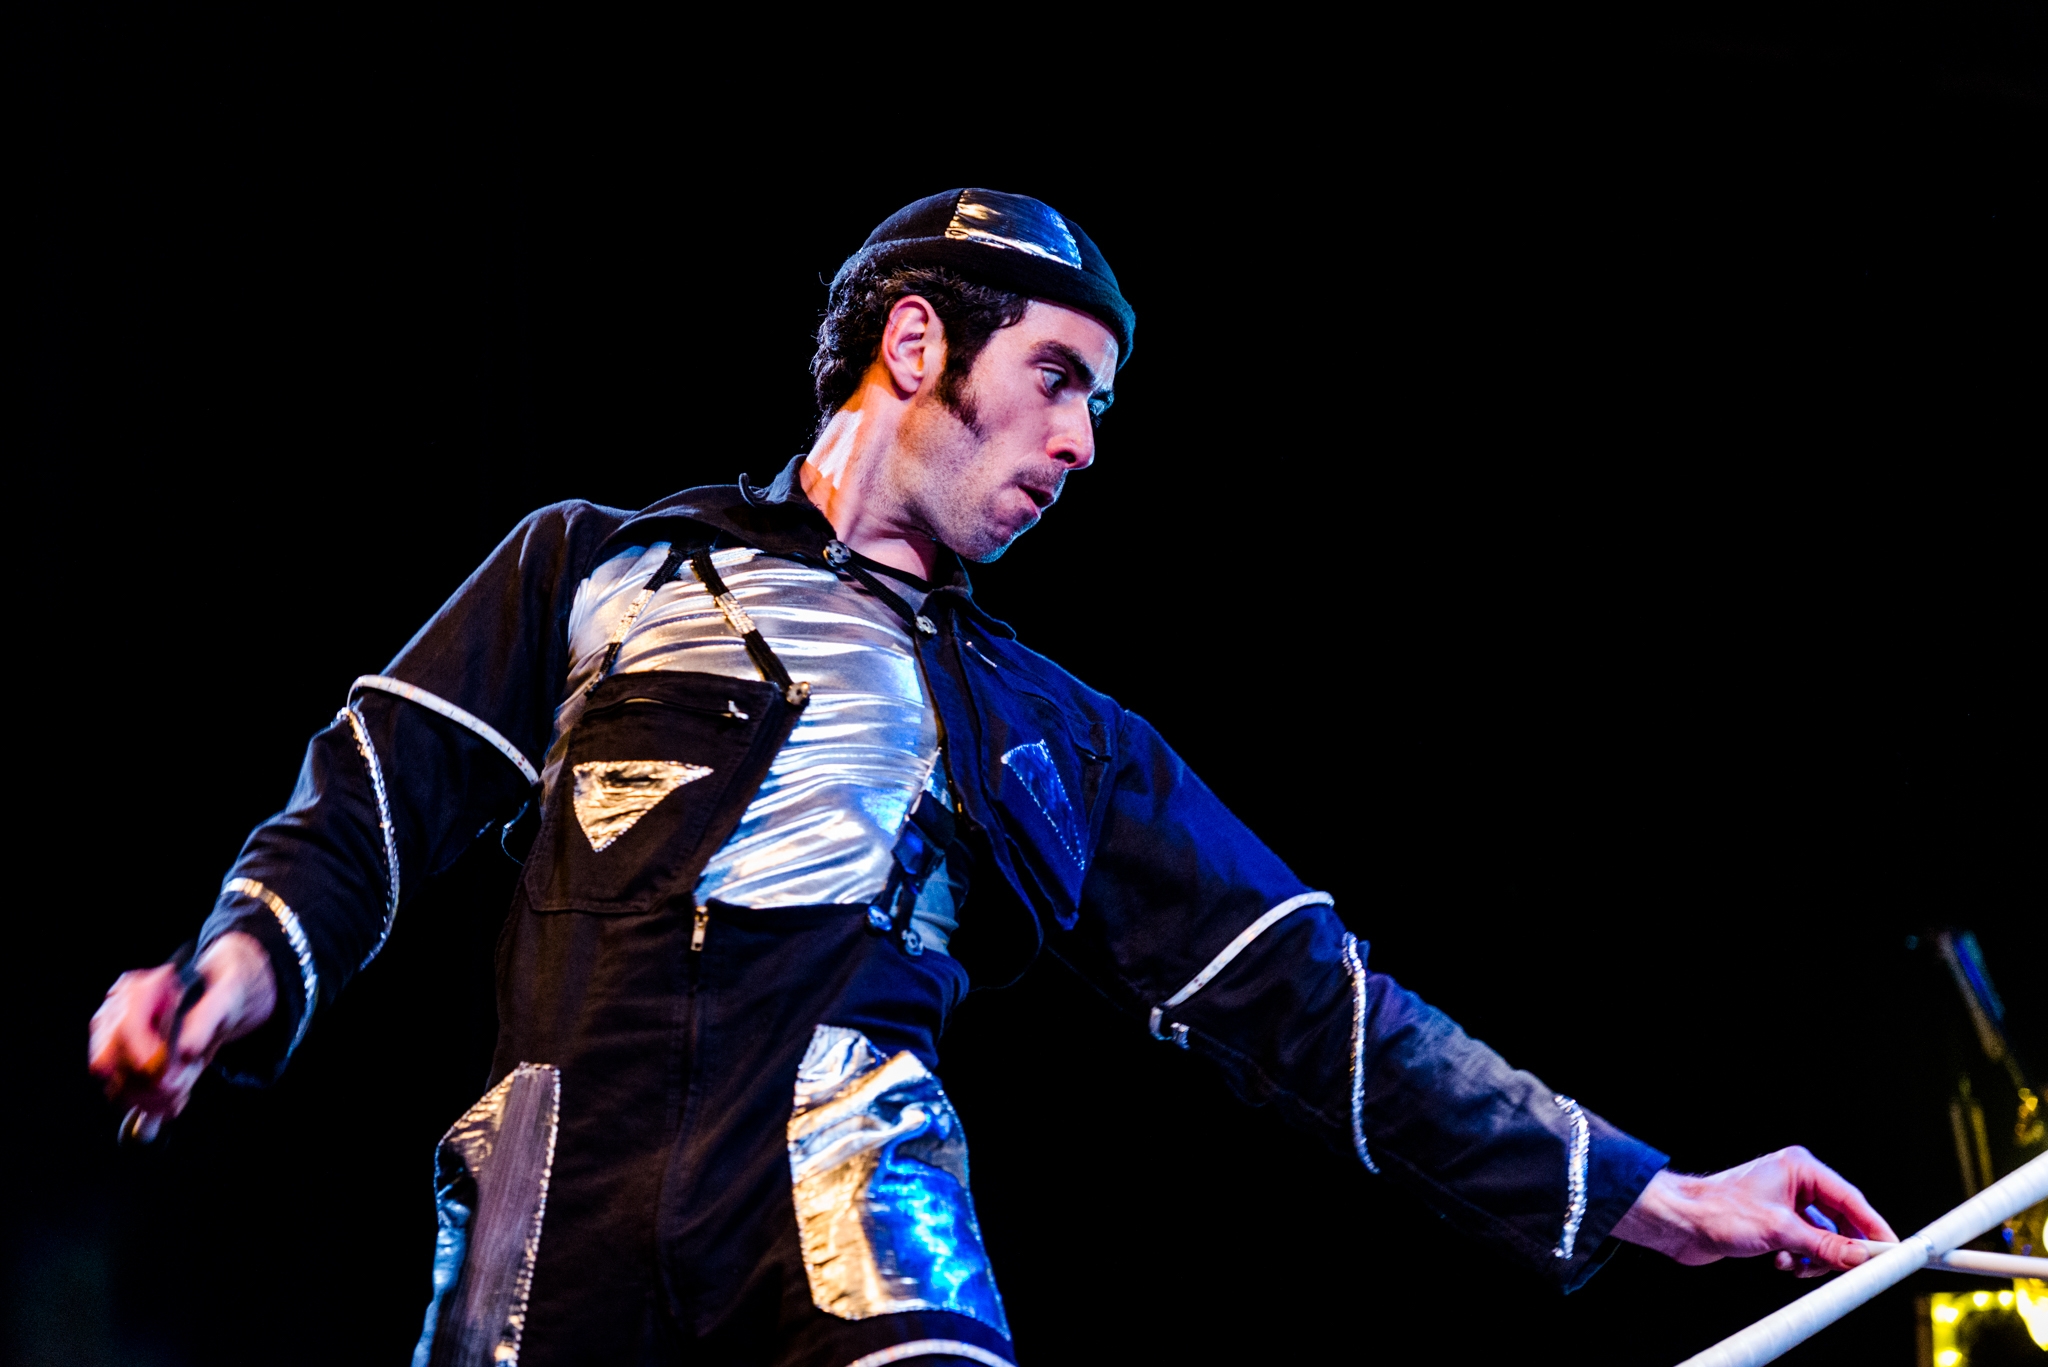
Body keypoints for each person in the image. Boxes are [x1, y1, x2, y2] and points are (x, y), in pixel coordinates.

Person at [89, 188, 1898, 1367]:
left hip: (853, 1219)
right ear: (915, 345)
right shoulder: (602, 565)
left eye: (1098, 404)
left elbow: (1327, 1012)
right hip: (549, 1229)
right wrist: (221, 977)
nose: (1083, 443)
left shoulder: (1056, 735)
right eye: (1055, 380)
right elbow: (374, 797)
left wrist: (1661, 1194)